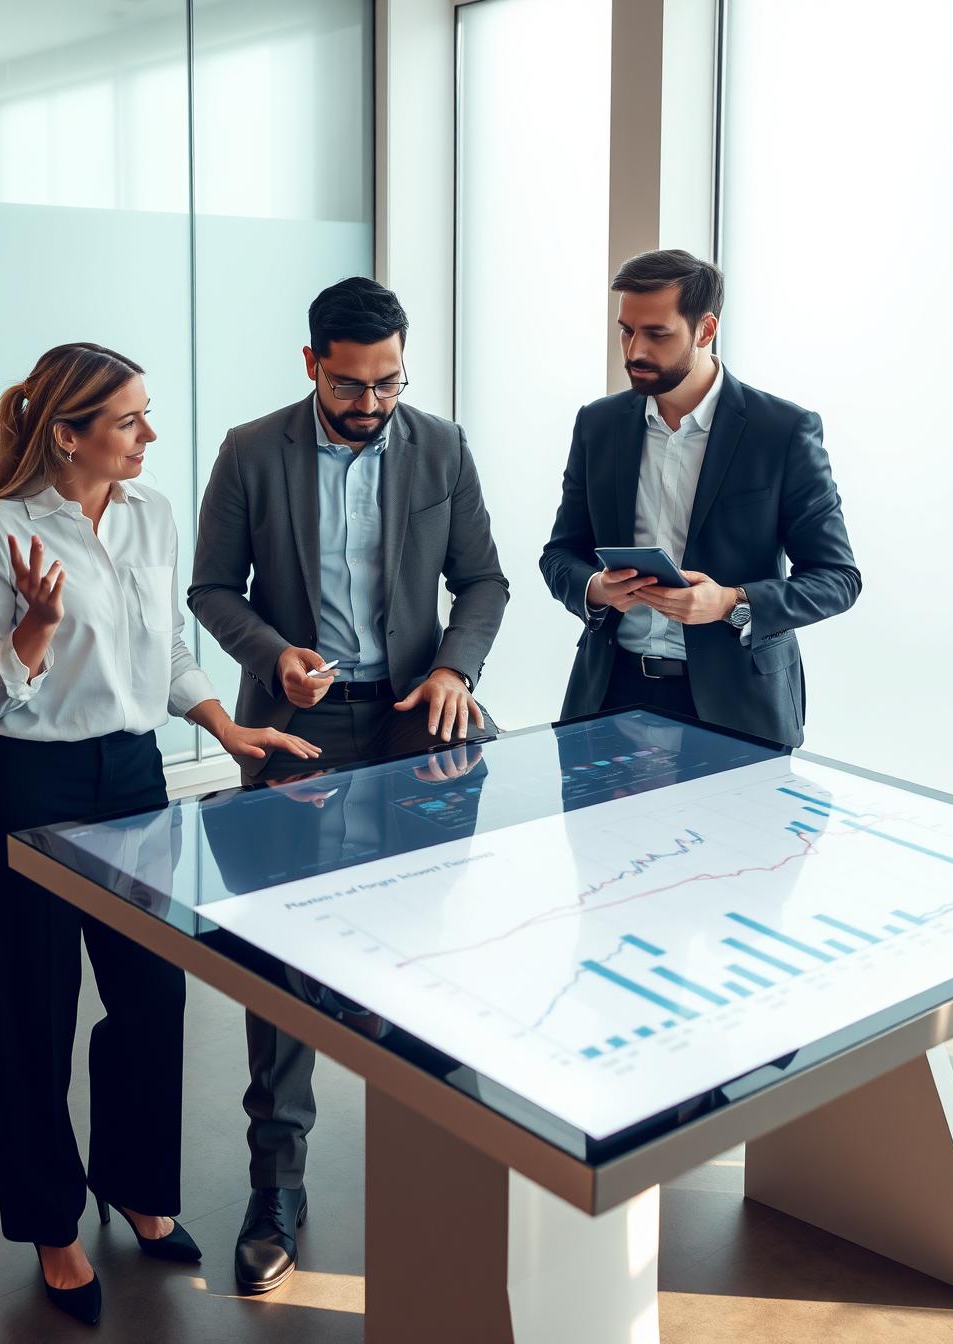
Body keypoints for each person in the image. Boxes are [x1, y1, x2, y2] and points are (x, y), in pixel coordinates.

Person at [0, 342, 319, 1327]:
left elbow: (171, 651)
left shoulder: (153, 516)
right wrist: (32, 630)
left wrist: (224, 725)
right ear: (65, 434)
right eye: (127, 421)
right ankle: (51, 1225)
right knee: (34, 1011)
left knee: (151, 993)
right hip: (24, 778)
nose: (149, 436)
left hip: (131, 773)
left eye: (146, 416)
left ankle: (138, 1186)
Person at [189, 276, 509, 1294]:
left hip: (417, 721)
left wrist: (457, 668)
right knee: (284, 958)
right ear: (311, 363)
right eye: (349, 384)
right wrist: (276, 652)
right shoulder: (250, 450)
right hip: (298, 728)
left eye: (387, 382)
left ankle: (451, 1167)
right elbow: (210, 590)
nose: (370, 403)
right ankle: (276, 1187)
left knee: (428, 943)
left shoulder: (441, 446)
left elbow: (484, 581)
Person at [540, 249, 860, 746]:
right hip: (608, 696)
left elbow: (838, 579)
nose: (633, 351)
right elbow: (560, 555)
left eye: (657, 334)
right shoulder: (597, 425)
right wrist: (597, 590)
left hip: (737, 707)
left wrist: (731, 603)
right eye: (626, 330)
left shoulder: (783, 432)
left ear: (705, 330)